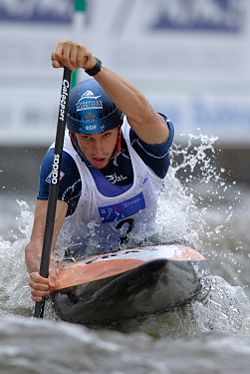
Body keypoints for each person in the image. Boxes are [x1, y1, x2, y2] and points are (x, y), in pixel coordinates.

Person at [25, 40, 174, 302]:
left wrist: (92, 66)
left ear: (119, 127)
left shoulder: (144, 143)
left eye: (106, 135)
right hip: (83, 260)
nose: (98, 149)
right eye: (87, 139)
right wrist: (42, 272)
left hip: (147, 245)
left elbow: (142, 111)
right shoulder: (62, 163)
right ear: (73, 134)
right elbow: (38, 242)